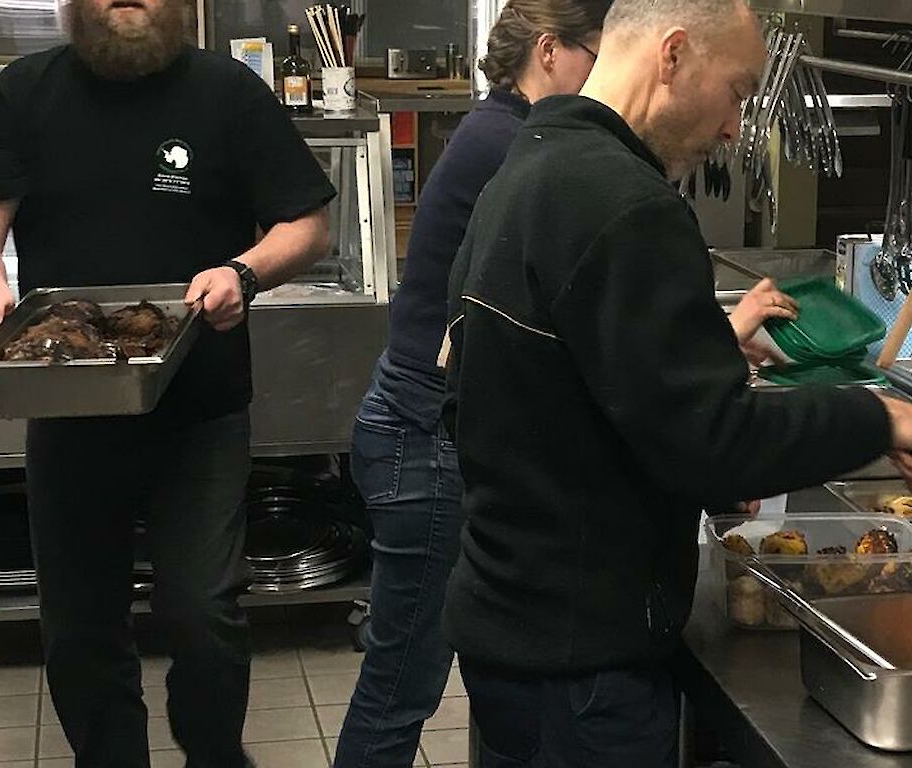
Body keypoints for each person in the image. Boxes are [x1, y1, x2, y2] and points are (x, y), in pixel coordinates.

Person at [439, 0, 912, 763]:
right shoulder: (627, 206)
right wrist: (878, 417)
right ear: (674, 54)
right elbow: (716, 443)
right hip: (582, 670)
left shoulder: (528, 165)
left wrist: (682, 460)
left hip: (514, 633)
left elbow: (507, 399)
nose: (733, 128)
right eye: (739, 93)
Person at [334, 0, 799, 763]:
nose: (604, 75)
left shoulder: (525, 142)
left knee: (406, 679)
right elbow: (564, 341)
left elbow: (571, 336)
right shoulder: (529, 150)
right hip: (425, 432)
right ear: (549, 53)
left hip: (435, 426)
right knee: (400, 685)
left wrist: (697, 350)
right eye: (593, 52)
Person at [0, 0, 335, 764]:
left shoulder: (227, 92)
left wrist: (242, 273)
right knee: (81, 626)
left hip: (200, 406)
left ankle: (214, 755)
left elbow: (309, 224)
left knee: (202, 612)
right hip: (67, 403)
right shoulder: (26, 91)